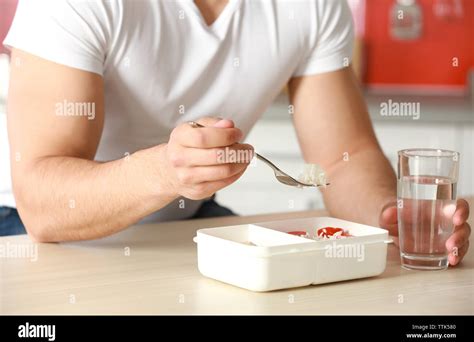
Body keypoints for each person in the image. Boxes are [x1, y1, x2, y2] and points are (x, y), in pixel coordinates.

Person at [0, 0, 469, 266]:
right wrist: (166, 172)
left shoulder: (316, 6)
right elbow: (41, 201)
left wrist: (386, 213)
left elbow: (344, 158)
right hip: (28, 231)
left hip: (185, 220)